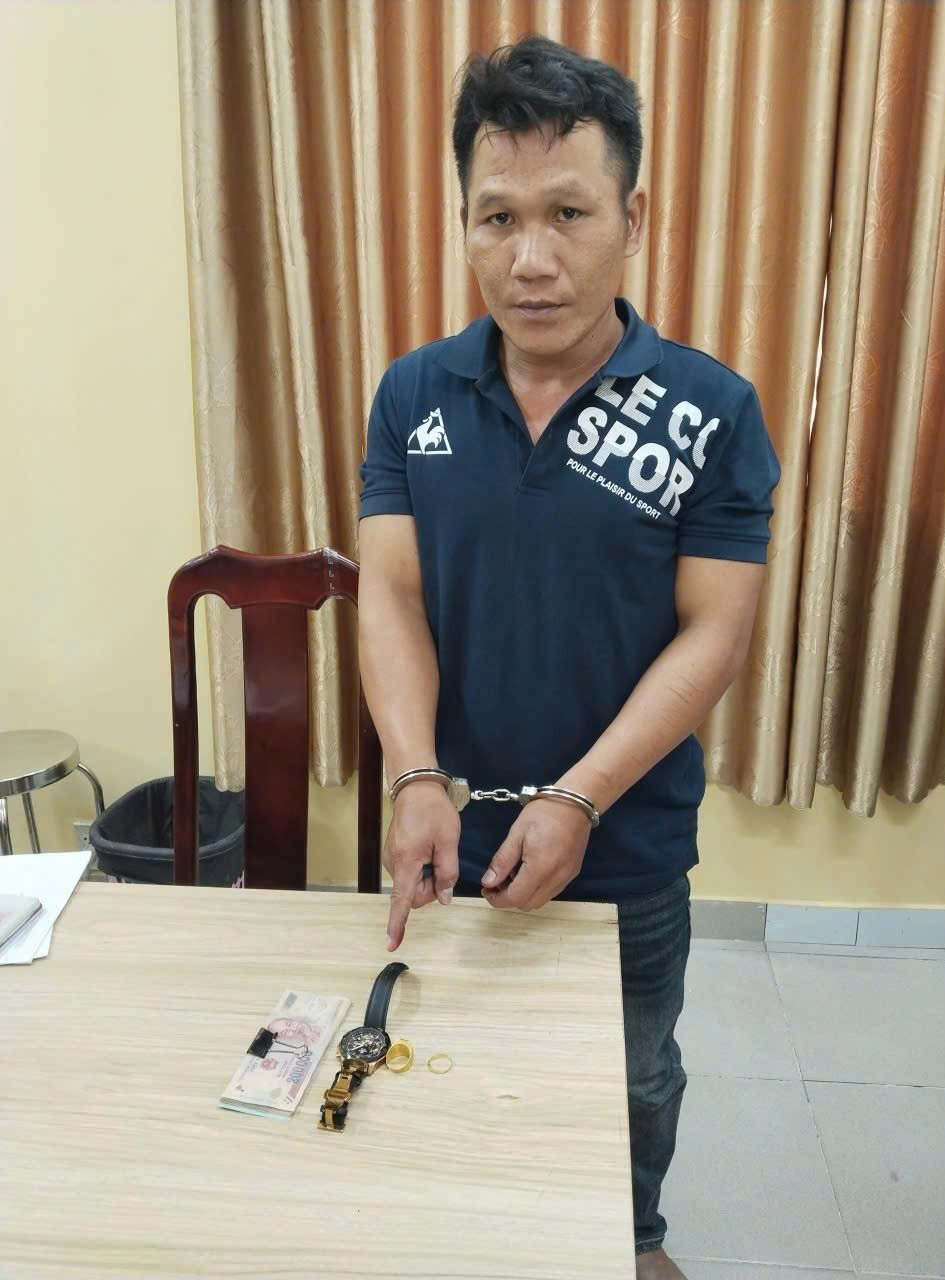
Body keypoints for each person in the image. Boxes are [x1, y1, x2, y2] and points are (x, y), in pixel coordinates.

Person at [357, 35, 781, 1280]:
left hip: (628, 835)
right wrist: (413, 771)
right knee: (454, 1060)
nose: (531, 258)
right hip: (450, 825)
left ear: (633, 219)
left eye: (568, 214)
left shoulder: (711, 410)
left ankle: (632, 1236)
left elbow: (715, 630)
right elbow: (391, 592)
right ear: (464, 224)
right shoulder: (414, 395)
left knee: (634, 1072)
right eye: (498, 217)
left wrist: (582, 794)